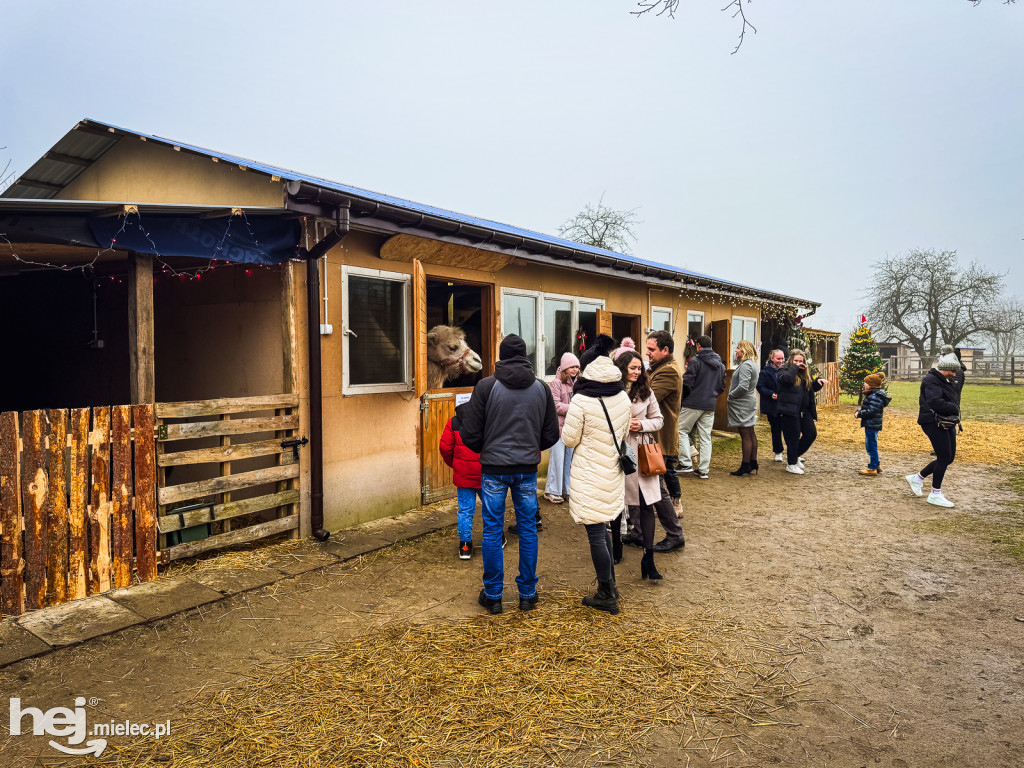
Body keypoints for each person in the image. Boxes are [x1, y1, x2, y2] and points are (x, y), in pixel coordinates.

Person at [459, 333, 560, 614]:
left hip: (493, 470)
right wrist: (529, 448)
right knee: (528, 529)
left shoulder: (486, 387)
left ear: (501, 355)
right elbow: (551, 433)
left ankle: (493, 596)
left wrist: (487, 449)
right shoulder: (541, 388)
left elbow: (470, 433)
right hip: (526, 470)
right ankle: (527, 594)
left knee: (492, 530)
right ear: (525, 355)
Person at [561, 334, 631, 615]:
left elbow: (568, 439)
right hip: (612, 471)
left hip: (589, 473)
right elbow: (624, 433)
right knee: (604, 528)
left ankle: (606, 593)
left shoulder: (581, 401)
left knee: (595, 534)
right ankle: (610, 585)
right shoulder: (623, 398)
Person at [614, 350, 666, 580]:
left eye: (639, 368)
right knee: (616, 503)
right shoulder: (610, 391)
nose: (636, 372)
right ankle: (615, 547)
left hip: (641, 452)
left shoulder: (646, 392)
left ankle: (649, 556)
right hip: (617, 452)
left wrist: (642, 424)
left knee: (646, 504)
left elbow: (659, 420)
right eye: (632, 368)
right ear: (622, 367)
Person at [905, 350, 962, 507]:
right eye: (953, 370)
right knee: (944, 457)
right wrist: (953, 408)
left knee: (948, 458)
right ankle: (935, 494)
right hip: (932, 422)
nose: (954, 373)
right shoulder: (932, 380)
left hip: (945, 422)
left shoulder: (944, 380)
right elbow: (935, 402)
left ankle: (917, 478)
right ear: (945, 368)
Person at [643, 331, 683, 513]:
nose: (647, 353)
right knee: (661, 474)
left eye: (652, 349)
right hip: (656, 433)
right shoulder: (658, 368)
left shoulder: (668, 370)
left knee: (657, 480)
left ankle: (672, 514)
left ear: (665, 350)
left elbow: (647, 398)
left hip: (661, 434)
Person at [677, 335, 726, 479]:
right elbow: (722, 386)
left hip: (693, 403)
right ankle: (704, 470)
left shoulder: (695, 361)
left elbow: (687, 383)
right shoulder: (721, 365)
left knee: (680, 430)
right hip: (710, 404)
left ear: (698, 346)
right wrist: (713, 395)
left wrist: (684, 398)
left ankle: (685, 463)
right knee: (705, 437)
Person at [439, 403, 483, 560]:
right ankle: (497, 538)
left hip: (464, 474)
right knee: (491, 508)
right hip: (486, 473)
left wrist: (455, 464)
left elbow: (445, 447)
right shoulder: (486, 419)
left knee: (465, 510)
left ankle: (465, 546)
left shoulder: (454, 422)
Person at [775, 349, 826, 475]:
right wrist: (794, 368)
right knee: (793, 438)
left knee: (811, 434)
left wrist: (817, 384)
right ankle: (791, 464)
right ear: (791, 360)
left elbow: (807, 390)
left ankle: (795, 456)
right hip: (789, 411)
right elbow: (786, 380)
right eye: (796, 361)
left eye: (801, 361)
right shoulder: (784, 370)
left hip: (805, 411)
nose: (799, 363)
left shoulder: (804, 373)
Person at [543, 352, 580, 505]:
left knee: (569, 461)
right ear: (564, 368)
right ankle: (552, 490)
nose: (575, 369)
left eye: (577, 366)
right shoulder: (556, 383)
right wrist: (575, 407)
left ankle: (566, 489)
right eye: (572, 366)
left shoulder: (579, 382)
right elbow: (555, 405)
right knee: (557, 459)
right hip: (558, 428)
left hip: (572, 427)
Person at [727, 339, 760, 476]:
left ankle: (745, 464)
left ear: (744, 350)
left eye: (738, 348)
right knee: (750, 431)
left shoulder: (746, 365)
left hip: (743, 402)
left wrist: (731, 395)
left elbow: (743, 386)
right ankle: (753, 462)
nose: (736, 351)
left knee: (745, 433)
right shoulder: (753, 364)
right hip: (748, 401)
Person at [855, 372, 891, 476]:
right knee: (871, 444)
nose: (864, 384)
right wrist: (860, 410)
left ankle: (872, 468)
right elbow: (870, 408)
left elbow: (871, 411)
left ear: (872, 385)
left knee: (871, 445)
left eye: (866, 383)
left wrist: (860, 413)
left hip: (872, 424)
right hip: (872, 424)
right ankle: (877, 464)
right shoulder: (874, 394)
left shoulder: (875, 396)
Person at [756, 349, 786, 462]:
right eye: (778, 359)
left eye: (782, 358)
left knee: (790, 429)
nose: (781, 361)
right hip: (772, 406)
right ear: (772, 358)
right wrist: (771, 394)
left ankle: (795, 453)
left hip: (786, 404)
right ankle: (778, 451)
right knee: (776, 429)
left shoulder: (788, 370)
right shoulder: (764, 372)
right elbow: (760, 386)